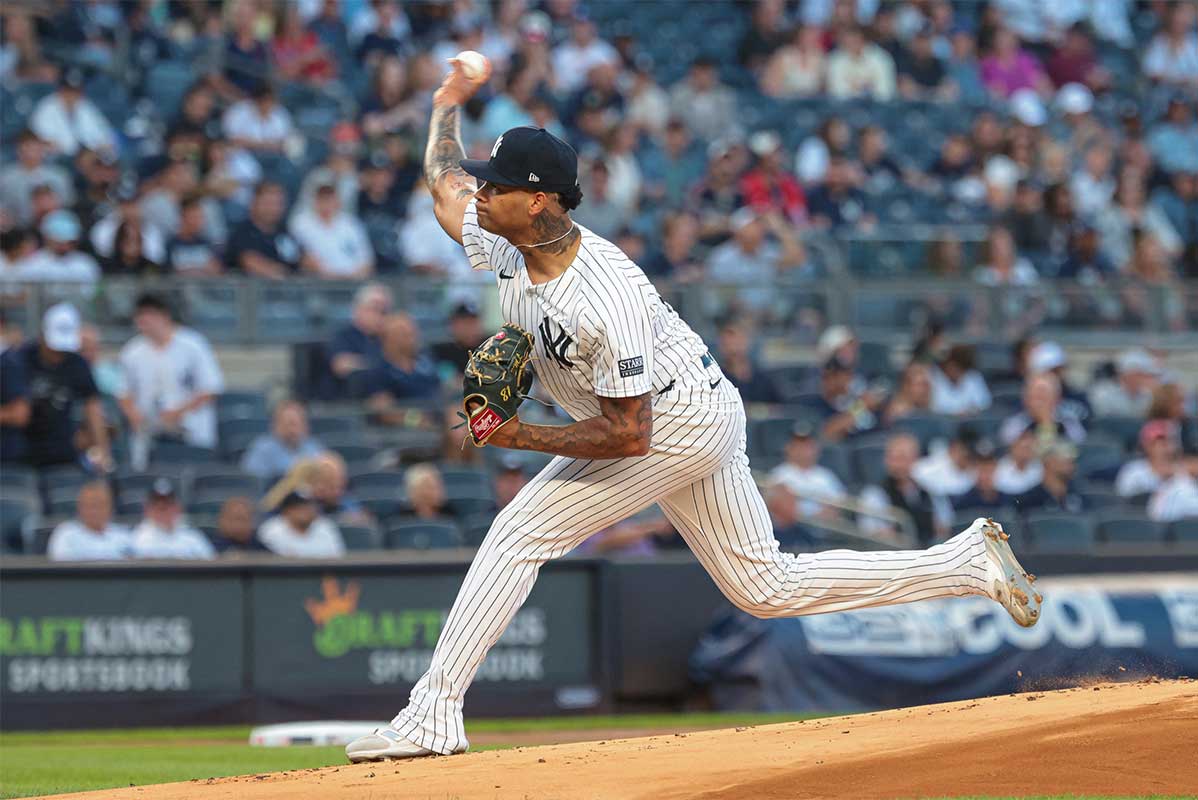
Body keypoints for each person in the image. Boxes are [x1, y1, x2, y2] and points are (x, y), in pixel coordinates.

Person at [343, 60, 1041, 764]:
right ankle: (964, 563)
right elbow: (442, 183)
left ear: (540, 201)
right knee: (765, 586)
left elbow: (630, 433)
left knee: (518, 532)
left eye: (496, 185)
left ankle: (434, 712)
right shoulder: (505, 237)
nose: (481, 193)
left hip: (674, 422)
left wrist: (519, 433)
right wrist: (444, 102)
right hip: (697, 406)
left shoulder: (602, 295)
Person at [118, 293, 224, 460]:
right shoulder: (132, 351)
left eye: (149, 316)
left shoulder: (193, 345)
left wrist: (178, 412)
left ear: (164, 316)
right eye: (140, 317)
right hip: (150, 432)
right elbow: (124, 393)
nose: (144, 323)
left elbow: (211, 388)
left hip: (190, 429)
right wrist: (134, 415)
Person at [12, 304, 110, 471]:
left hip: (62, 450)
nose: (58, 353)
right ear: (43, 335)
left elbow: (93, 407)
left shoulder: (77, 363)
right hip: (20, 451)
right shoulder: (19, 359)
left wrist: (103, 450)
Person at [858, 433, 950, 547]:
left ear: (915, 459)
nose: (898, 465)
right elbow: (872, 533)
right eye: (893, 458)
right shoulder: (874, 493)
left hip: (930, 552)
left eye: (903, 458)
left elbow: (943, 526)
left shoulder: (928, 490)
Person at [288, 183, 375, 279]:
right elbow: (302, 258)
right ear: (315, 201)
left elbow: (367, 260)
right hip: (317, 282)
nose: (326, 203)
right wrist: (333, 276)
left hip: (354, 282)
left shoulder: (351, 223)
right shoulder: (301, 224)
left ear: (338, 201)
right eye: (322, 199)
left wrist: (353, 277)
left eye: (329, 199)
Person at [362, 313, 442, 416]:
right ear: (389, 340)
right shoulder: (378, 371)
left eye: (413, 333)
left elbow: (442, 389)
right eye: (406, 335)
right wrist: (416, 420)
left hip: (439, 419)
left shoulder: (426, 362)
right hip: (405, 429)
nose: (414, 339)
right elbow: (385, 412)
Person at [767, 422, 848, 520]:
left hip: (823, 528)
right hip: (790, 528)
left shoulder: (826, 475)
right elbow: (772, 505)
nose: (803, 450)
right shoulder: (779, 474)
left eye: (807, 445)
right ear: (788, 447)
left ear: (816, 448)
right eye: (798, 444)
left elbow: (841, 505)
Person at [225, 182, 301, 279]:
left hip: (287, 289)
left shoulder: (284, 232)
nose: (273, 208)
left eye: (278, 203)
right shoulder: (243, 232)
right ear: (254, 202)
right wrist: (284, 277)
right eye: (268, 203)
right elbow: (250, 261)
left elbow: (301, 258)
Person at [241, 399, 326, 481]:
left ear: (306, 426)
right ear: (275, 425)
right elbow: (253, 482)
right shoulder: (262, 449)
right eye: (289, 424)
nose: (293, 430)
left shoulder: (313, 447)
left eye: (298, 424)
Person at [130, 479, 215, 560]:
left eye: (167, 504)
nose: (162, 507)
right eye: (156, 504)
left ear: (178, 508)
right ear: (147, 509)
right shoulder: (135, 539)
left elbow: (212, 565)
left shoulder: (193, 538)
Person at [46, 481, 132, 561]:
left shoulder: (123, 535)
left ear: (110, 507)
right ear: (79, 507)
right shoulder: (65, 534)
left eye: (100, 505)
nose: (95, 511)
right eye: (90, 505)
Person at [328, 283, 391, 384]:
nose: (379, 316)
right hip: (351, 395)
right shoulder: (343, 335)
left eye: (384, 311)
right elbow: (341, 365)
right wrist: (378, 364)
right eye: (375, 309)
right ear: (358, 310)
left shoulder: (389, 336)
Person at [15, 211, 100, 284]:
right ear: (47, 238)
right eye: (59, 241)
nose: (65, 246)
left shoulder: (85, 264)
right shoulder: (32, 264)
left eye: (69, 242)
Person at [258, 489, 345, 558]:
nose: (306, 510)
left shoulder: (326, 526)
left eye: (310, 505)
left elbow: (338, 560)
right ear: (286, 510)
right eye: (300, 507)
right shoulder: (270, 530)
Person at [826, 25, 896, 100]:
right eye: (847, 42)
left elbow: (886, 91)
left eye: (855, 41)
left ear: (863, 40)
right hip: (845, 108)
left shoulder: (880, 58)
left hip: (876, 107)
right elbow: (837, 91)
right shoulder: (835, 60)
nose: (851, 45)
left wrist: (858, 91)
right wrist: (862, 90)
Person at [1115, 420, 1180, 500]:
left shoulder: (1184, 473)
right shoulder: (1133, 472)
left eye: (1169, 441)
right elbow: (1123, 504)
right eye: (1160, 443)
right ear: (1146, 445)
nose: (1166, 447)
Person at [1016, 440, 1087, 514]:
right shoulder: (1028, 500)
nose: (1071, 463)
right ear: (1048, 461)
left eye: (1073, 460)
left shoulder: (1079, 496)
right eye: (1065, 458)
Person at [1088, 347, 1161, 419]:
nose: (1146, 379)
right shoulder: (1103, 395)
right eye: (1140, 374)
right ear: (1127, 375)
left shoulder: (1149, 397)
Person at [913, 430, 979, 498]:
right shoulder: (935, 465)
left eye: (969, 456)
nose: (964, 456)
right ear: (954, 448)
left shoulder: (976, 472)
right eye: (961, 451)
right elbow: (917, 471)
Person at [953, 439, 1014, 512]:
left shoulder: (1008, 502)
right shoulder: (962, 504)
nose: (985, 474)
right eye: (981, 468)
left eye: (989, 468)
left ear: (996, 467)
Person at [930, 344, 991, 416]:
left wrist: (970, 411)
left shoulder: (974, 377)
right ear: (946, 365)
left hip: (969, 422)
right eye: (951, 366)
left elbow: (984, 403)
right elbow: (933, 407)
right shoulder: (935, 377)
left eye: (957, 367)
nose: (953, 370)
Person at [431, 302, 485, 375]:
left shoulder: (490, 347)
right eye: (466, 323)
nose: (471, 329)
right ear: (453, 325)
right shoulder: (442, 352)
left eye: (474, 323)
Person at [994, 427, 1044, 495]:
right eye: (1025, 447)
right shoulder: (998, 469)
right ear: (1012, 446)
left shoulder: (1040, 467)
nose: (1028, 451)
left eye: (1030, 447)